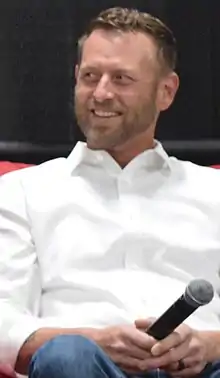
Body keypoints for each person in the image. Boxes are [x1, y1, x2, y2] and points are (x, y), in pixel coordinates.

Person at [0, 6, 220, 378]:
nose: (101, 93)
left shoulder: (213, 191)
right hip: (83, 369)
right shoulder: (20, 192)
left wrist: (208, 344)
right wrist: (96, 339)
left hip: (203, 370)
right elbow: (3, 319)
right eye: (90, 76)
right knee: (68, 355)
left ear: (165, 91)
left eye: (121, 79)